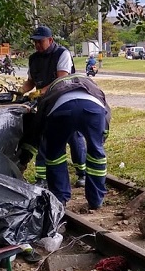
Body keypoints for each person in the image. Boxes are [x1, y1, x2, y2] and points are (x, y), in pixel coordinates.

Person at [23, 73, 110, 210]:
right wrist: (101, 139)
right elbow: (105, 112)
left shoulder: (53, 88)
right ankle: (96, 200)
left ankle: (60, 198)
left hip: (61, 110)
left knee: (55, 155)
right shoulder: (92, 86)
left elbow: (41, 118)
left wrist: (40, 140)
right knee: (96, 154)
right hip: (93, 108)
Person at [21, 26, 87, 188]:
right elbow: (30, 81)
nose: (37, 45)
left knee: (73, 136)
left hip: (65, 100)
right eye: (34, 42)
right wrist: (19, 91)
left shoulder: (62, 54)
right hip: (46, 103)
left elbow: (62, 79)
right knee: (43, 137)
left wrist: (40, 92)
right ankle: (42, 178)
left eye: (40, 42)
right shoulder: (33, 59)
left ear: (50, 40)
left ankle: (82, 173)